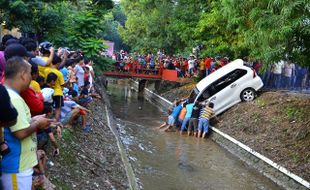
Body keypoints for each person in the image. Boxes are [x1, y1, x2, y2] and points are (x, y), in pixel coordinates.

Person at [1, 56, 51, 190]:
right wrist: (37, 123)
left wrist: (34, 120)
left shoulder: (9, 95)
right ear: (23, 75)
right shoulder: (14, 98)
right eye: (29, 73)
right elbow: (20, 132)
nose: (31, 77)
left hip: (20, 165)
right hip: (16, 166)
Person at [44, 55, 65, 122]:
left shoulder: (46, 70)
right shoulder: (59, 73)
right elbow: (62, 84)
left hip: (48, 92)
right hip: (58, 92)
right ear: (58, 63)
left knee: (48, 109)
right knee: (58, 109)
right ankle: (56, 123)